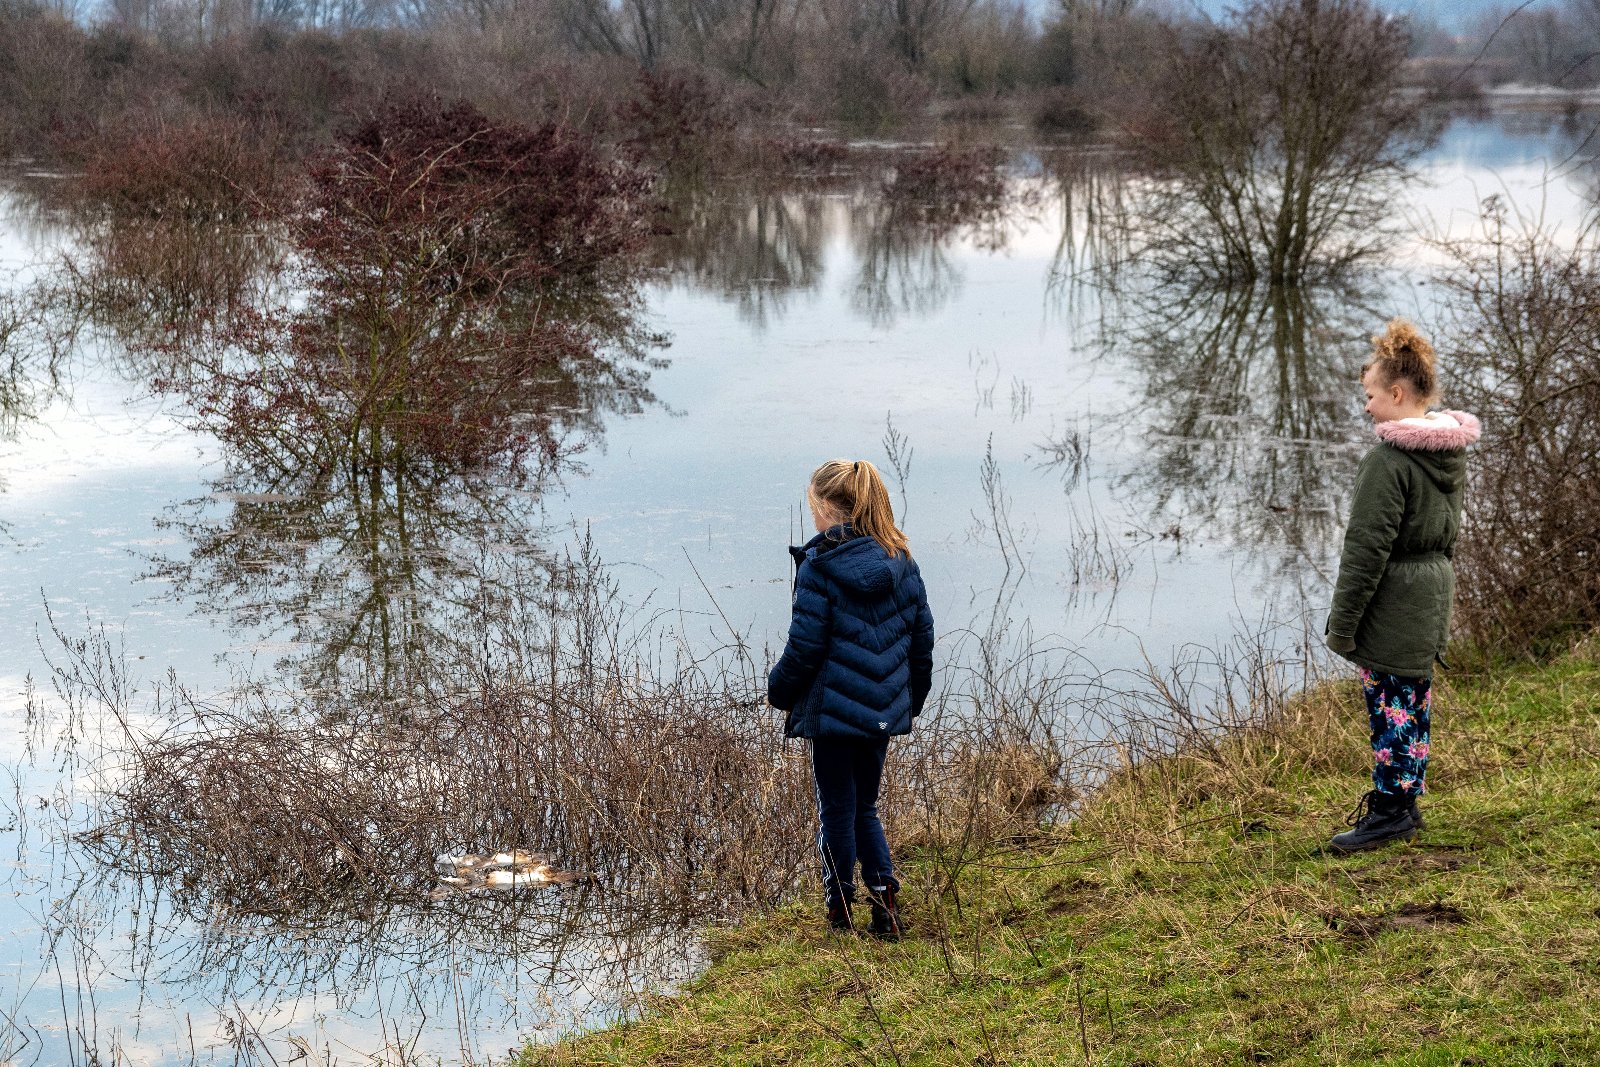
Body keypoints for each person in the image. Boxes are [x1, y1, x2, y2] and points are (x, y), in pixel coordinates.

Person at [1325, 319, 1479, 853]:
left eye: (1369, 395)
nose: (1365, 406)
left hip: (1394, 597)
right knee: (1412, 704)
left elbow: (1365, 550)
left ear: (1395, 393)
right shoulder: (1447, 452)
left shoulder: (1389, 461)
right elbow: (1447, 536)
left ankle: (1390, 814)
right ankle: (1403, 806)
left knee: (1390, 705)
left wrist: (1342, 625)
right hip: (1432, 589)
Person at [768, 459, 934, 938]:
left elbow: (805, 647)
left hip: (833, 716)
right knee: (866, 807)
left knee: (837, 810)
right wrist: (907, 702)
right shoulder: (902, 562)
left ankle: (840, 912)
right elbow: (921, 642)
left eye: (812, 507)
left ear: (824, 507)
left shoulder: (821, 567)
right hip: (883, 713)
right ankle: (886, 907)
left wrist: (779, 691)